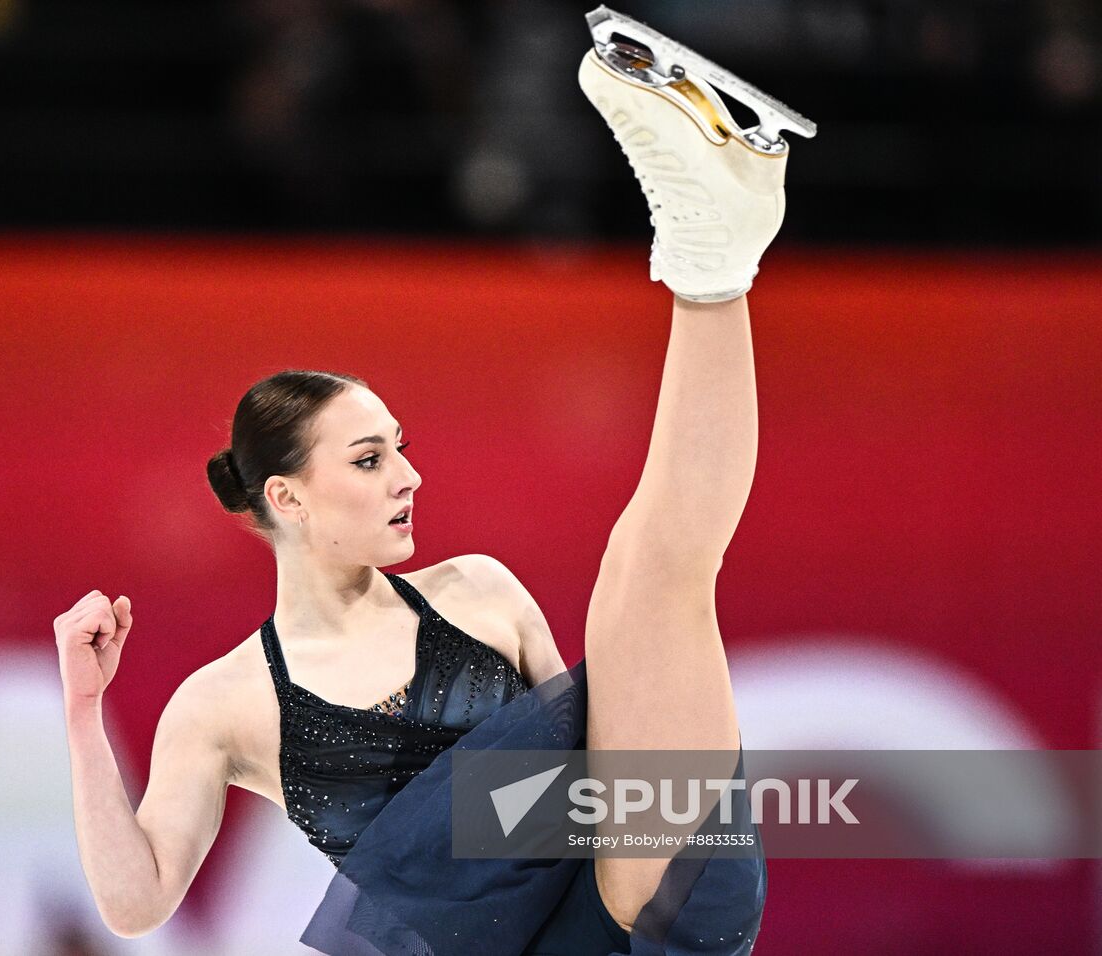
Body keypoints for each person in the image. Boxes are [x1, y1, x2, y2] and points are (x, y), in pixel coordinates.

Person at [54, 9, 813, 954]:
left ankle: (713, 255)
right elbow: (136, 904)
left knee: (649, 576)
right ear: (285, 497)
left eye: (400, 447)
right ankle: (714, 251)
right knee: (641, 583)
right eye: (369, 460)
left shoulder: (483, 594)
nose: (409, 476)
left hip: (632, 916)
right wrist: (85, 718)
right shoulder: (223, 704)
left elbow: (617, 756)